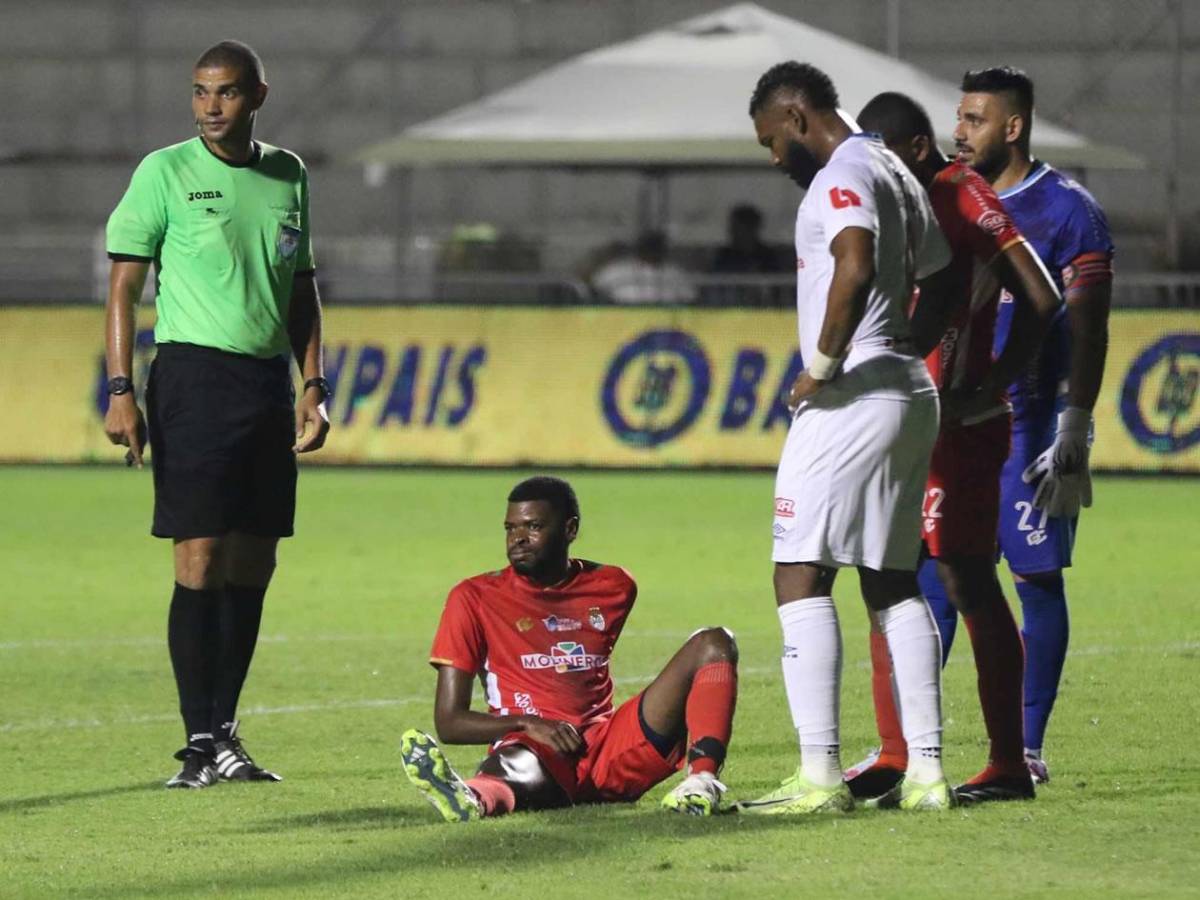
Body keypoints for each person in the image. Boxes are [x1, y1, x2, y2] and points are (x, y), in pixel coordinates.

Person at [103, 40, 330, 789]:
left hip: (266, 384)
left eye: (226, 93)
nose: (209, 107)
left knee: (254, 562)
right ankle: (197, 742)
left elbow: (300, 287)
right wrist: (120, 388)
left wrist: (312, 382)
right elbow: (124, 290)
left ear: (258, 95)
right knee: (198, 561)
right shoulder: (163, 172)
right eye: (200, 92)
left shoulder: (287, 173)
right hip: (193, 379)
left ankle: (225, 730)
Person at [739, 62, 956, 814]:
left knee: (799, 572)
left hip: (853, 393)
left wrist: (821, 367)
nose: (774, 159)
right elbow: (948, 276)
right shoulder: (893, 166)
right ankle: (928, 773)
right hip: (905, 388)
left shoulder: (842, 172)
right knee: (892, 579)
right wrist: (905, 343)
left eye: (772, 140)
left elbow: (854, 264)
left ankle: (820, 776)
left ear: (798, 117)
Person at [845, 92, 1062, 804]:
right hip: (901, 420)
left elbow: (1042, 295)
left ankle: (1005, 762)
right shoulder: (893, 198)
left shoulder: (961, 194)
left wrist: (993, 381)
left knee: (966, 579)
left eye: (881, 156)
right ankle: (895, 753)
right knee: (883, 573)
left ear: (910, 149)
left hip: (958, 430)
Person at [951, 67, 1114, 792]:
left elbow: (1089, 327)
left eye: (976, 119)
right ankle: (919, 750)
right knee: (934, 576)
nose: (961, 131)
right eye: (959, 117)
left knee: (1035, 580)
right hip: (954, 421)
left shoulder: (1069, 210)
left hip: (1028, 426)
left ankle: (1026, 746)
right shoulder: (946, 198)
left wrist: (1074, 422)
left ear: (1012, 127)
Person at [400, 476, 738, 820]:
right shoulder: (473, 598)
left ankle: (701, 783)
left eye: (532, 526)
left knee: (714, 643)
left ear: (570, 529)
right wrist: (529, 723)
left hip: (607, 749)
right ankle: (472, 797)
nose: (517, 539)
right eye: (510, 528)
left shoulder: (614, 587)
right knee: (519, 765)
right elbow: (449, 722)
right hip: (534, 749)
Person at [590, 230, 698, 304]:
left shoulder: (675, 273)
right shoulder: (616, 270)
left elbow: (690, 298)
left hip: (663, 323)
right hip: (622, 320)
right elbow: (596, 289)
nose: (651, 252)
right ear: (639, 249)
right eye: (648, 247)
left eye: (655, 248)